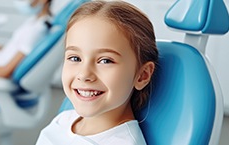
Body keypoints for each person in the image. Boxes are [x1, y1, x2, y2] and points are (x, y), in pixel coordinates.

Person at [35, 1, 159, 145]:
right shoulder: (63, 120)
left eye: (105, 61)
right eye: (75, 58)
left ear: (142, 75)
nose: (84, 74)